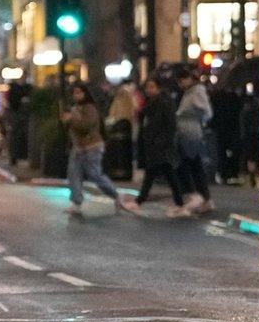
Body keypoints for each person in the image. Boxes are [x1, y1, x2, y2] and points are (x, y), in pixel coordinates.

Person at [61, 83, 140, 218]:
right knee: (74, 174)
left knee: (94, 174)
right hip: (78, 148)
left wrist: (71, 119)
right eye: (75, 93)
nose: (77, 95)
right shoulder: (74, 109)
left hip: (92, 148)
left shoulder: (90, 108)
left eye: (79, 92)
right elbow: (70, 129)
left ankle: (115, 194)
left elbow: (85, 125)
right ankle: (76, 202)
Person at [173, 67, 215, 218]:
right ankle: (204, 198)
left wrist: (194, 116)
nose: (181, 84)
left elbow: (207, 112)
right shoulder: (188, 92)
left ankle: (200, 197)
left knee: (189, 165)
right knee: (193, 165)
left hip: (192, 134)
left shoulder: (197, 91)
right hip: (186, 133)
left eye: (182, 80)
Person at [134, 75, 181, 206]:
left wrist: (161, 141)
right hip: (155, 145)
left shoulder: (163, 103)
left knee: (159, 173)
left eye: (152, 87)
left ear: (159, 88)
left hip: (160, 145)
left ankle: (140, 200)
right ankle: (179, 202)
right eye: (147, 87)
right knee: (161, 173)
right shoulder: (151, 103)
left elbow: (170, 125)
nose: (149, 90)